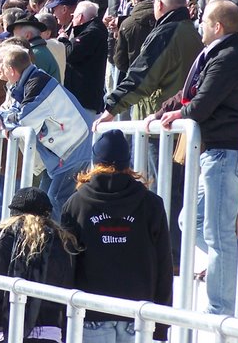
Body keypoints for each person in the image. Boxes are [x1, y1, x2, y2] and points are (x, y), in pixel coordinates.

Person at [155, 0, 238, 316]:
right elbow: (192, 98)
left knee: (217, 235)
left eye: (204, 21)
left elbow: (201, 105)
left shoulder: (228, 57)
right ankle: (237, 268)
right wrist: (162, 112)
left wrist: (177, 114)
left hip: (226, 153)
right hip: (217, 153)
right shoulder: (218, 55)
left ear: (217, 27)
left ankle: (220, 309)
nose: (200, 25)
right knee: (191, 221)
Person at [61, 130, 172, 343]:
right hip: (138, 315)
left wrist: (64, 320)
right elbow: (164, 267)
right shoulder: (151, 204)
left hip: (90, 313)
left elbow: (67, 266)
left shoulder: (76, 204)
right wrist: (161, 325)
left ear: (95, 162)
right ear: (127, 162)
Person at [0, 46, 92, 219]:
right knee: (43, 203)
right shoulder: (29, 81)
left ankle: (64, 243)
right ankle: (52, 242)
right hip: (65, 153)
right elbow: (14, 111)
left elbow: (25, 119)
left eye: (1, 65)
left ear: (11, 70)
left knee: (55, 201)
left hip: (73, 152)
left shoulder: (38, 85)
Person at [0, 187, 77, 343]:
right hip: (48, 331)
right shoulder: (61, 242)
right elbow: (68, 286)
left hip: (2, 330)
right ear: (48, 214)